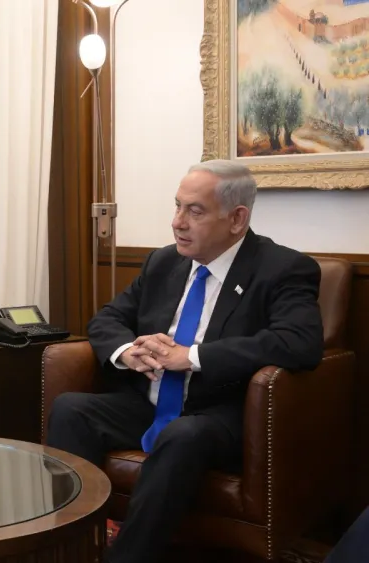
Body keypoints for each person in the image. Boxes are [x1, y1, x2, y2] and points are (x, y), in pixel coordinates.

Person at [45, 159, 323, 563]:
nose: (178, 222)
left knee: (183, 435)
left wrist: (190, 357)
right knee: (71, 409)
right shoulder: (164, 262)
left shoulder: (282, 268)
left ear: (236, 218)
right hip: (151, 400)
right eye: (177, 207)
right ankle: (69, 547)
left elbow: (300, 342)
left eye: (195, 211)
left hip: (221, 412)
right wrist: (129, 352)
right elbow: (107, 318)